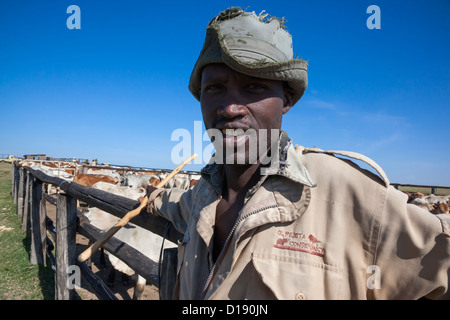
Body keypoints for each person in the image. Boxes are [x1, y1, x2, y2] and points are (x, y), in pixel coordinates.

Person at [142, 7, 450, 299]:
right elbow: (172, 206)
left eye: (253, 87)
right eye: (214, 89)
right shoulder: (202, 195)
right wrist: (153, 196)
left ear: (286, 100)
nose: (229, 108)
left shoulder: (347, 192)